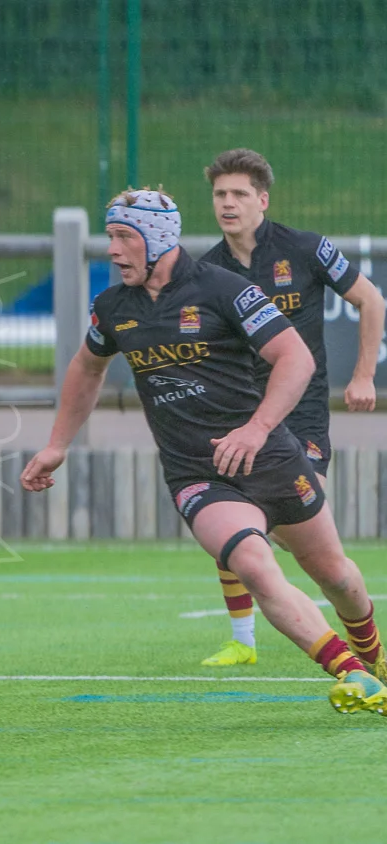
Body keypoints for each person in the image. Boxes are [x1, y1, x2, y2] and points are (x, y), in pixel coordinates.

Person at [22, 189, 387, 716]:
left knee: (336, 576)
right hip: (197, 473)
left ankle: (374, 657)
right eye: (110, 237)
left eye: (124, 237)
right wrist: (58, 444)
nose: (113, 250)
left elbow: (296, 358)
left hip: (270, 458)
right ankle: (352, 672)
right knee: (254, 564)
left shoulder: (223, 288)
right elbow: (86, 367)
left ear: (158, 239)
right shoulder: (113, 308)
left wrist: (257, 429)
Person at [197, 148, 386, 668]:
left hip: (301, 416)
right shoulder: (206, 271)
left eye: (239, 194)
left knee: (311, 549)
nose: (228, 203)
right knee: (233, 520)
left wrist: (363, 375)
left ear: (262, 199)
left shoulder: (305, 249)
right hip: (240, 418)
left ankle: (369, 648)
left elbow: (371, 300)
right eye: (220, 194)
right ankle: (243, 640)